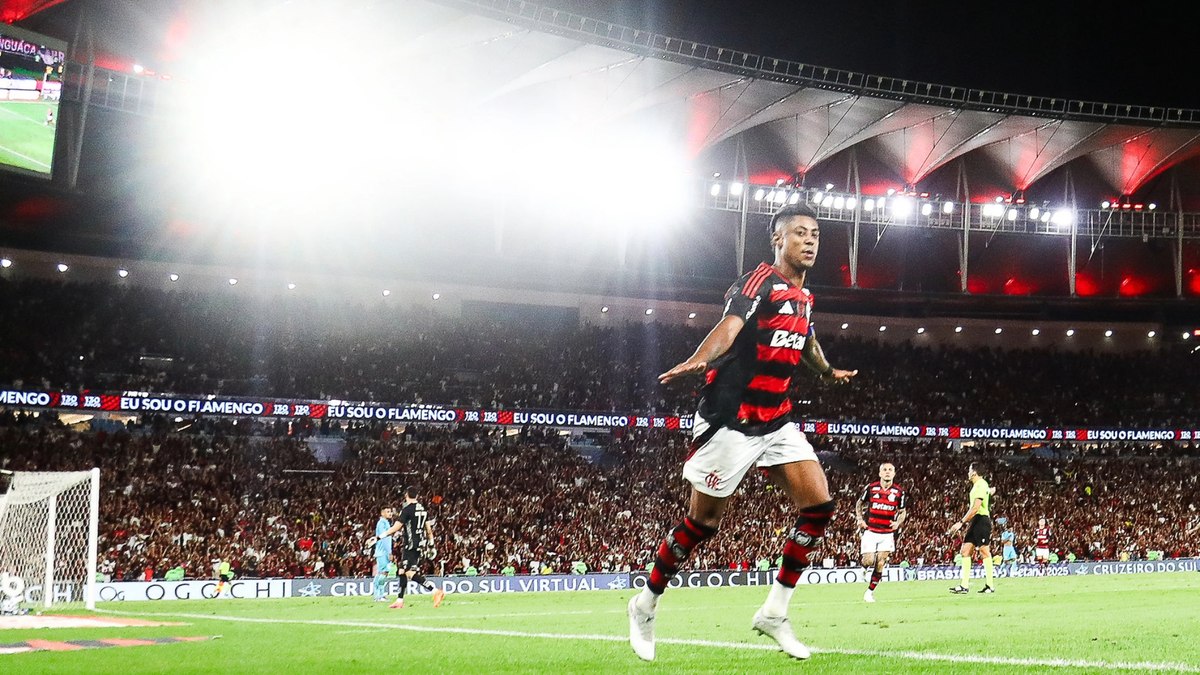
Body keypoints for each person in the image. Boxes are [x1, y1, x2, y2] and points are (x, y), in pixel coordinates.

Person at [628, 202, 858, 662]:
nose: (809, 240)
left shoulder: (805, 299)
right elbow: (729, 327)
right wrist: (699, 359)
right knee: (702, 525)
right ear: (778, 239)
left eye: (814, 233)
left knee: (818, 507)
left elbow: (806, 341)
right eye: (799, 233)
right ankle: (645, 603)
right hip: (730, 419)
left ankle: (774, 612)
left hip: (777, 419)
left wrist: (828, 371)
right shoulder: (758, 282)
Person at [376, 487, 446, 609]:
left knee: (409, 572)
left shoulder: (407, 510)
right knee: (402, 570)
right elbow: (428, 529)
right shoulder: (423, 509)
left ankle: (435, 590)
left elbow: (396, 527)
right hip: (420, 543)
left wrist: (378, 537)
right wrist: (431, 545)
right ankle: (399, 600)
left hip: (411, 545)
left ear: (406, 495)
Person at [855, 462, 906, 603]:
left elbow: (902, 511)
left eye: (890, 470)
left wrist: (898, 522)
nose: (887, 472)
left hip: (887, 533)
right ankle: (864, 567)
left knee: (880, 563)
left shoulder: (899, 492)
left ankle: (869, 593)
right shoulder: (871, 488)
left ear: (894, 473)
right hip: (871, 531)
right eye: (884, 469)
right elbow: (859, 503)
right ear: (880, 473)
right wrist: (859, 518)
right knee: (869, 560)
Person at [947, 464, 995, 594]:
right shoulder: (980, 486)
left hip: (981, 520)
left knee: (984, 551)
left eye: (969, 470)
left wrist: (961, 523)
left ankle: (990, 585)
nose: (968, 473)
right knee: (965, 551)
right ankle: (964, 586)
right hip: (975, 521)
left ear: (974, 472)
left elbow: (976, 507)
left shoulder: (980, 485)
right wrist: (990, 491)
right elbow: (987, 492)